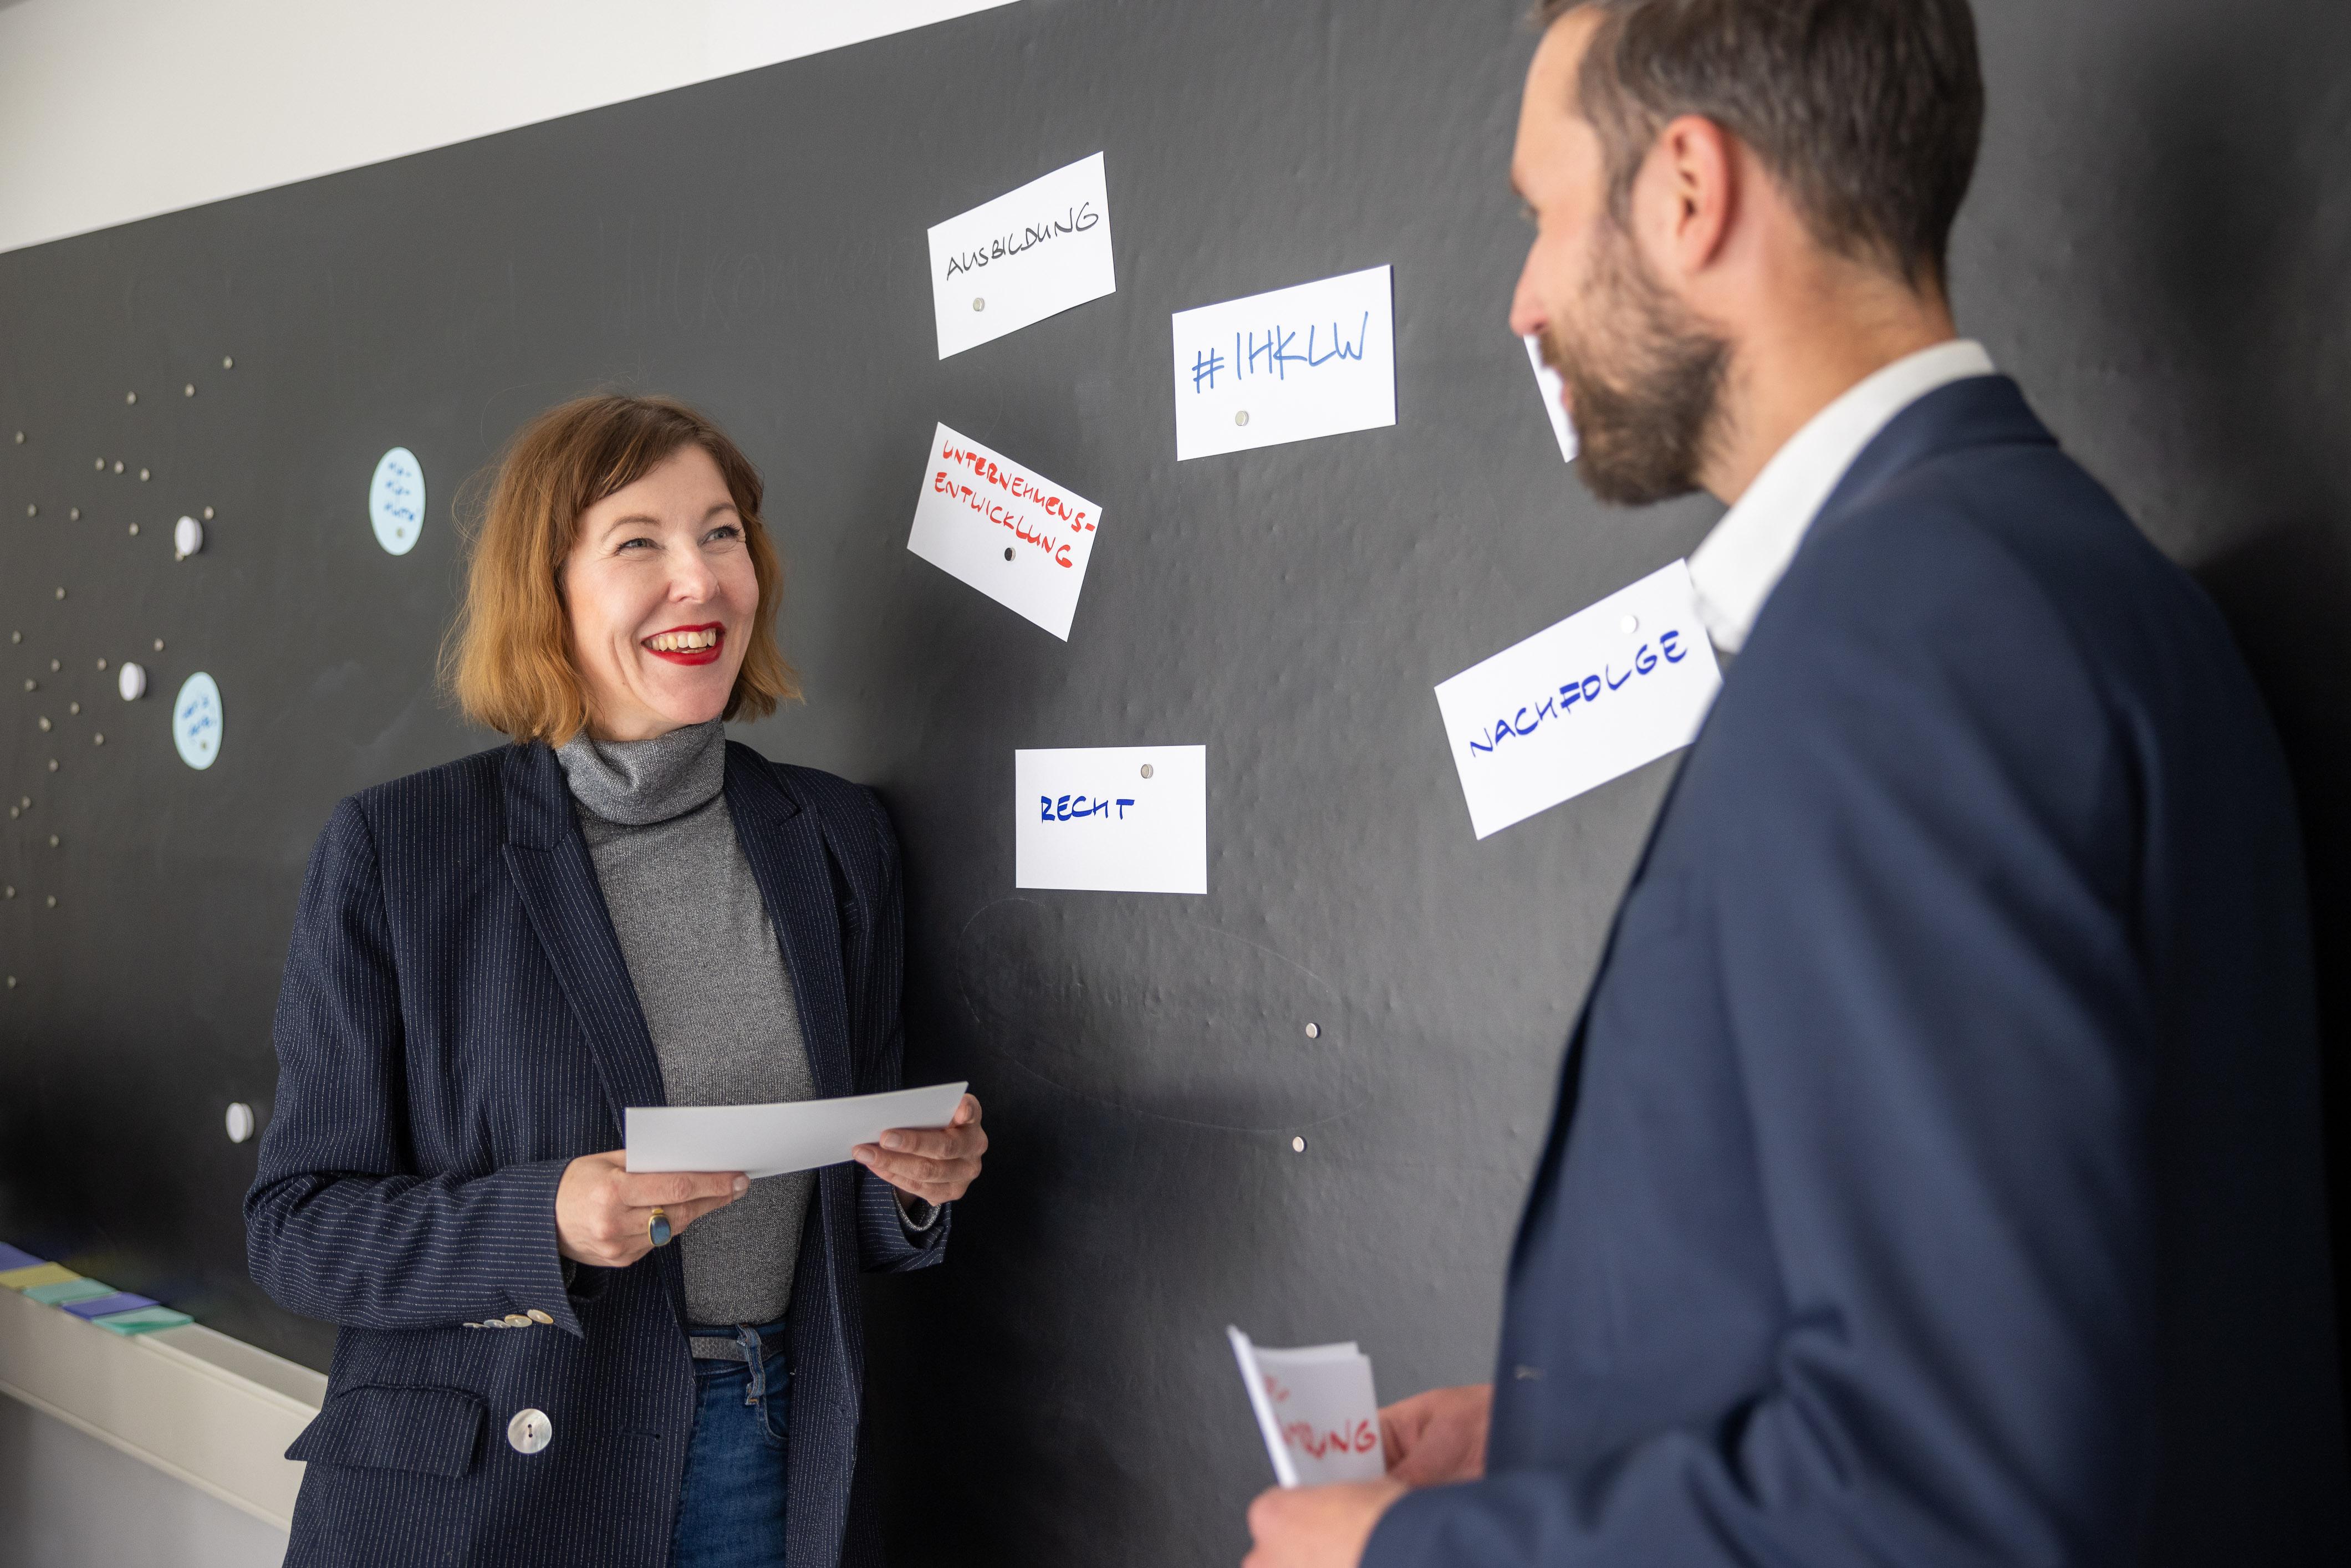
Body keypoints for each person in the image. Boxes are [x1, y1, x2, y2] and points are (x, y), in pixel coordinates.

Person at [1247, 1, 2349, 1564]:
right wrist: (1571, 1436)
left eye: (1545, 212)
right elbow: (2075, 1326)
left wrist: (1404, 1555)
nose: (1524, 300)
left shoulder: (1901, 649)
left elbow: (1957, 1500)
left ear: (1688, 191)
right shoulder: (2069, 582)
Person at [246, 393, 988, 1568]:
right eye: (639, 542)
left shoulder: (838, 838)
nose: (699, 579)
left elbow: (839, 1190)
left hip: (758, 1452)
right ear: (548, 591)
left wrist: (914, 1184)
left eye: (722, 533)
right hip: (488, 1490)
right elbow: (297, 1230)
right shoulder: (401, 850)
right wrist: (541, 1219)